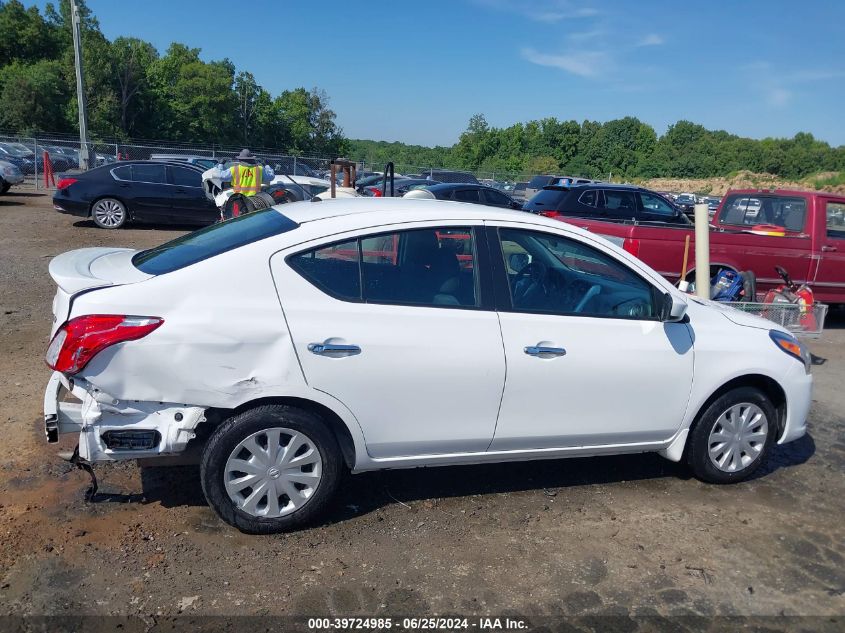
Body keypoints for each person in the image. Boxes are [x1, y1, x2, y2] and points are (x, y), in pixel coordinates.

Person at [211, 149, 275, 197]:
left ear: (240, 159)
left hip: (239, 198)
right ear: (251, 159)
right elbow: (271, 177)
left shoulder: (235, 169)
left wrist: (220, 164)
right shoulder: (260, 169)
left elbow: (219, 175)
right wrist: (266, 165)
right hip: (256, 198)